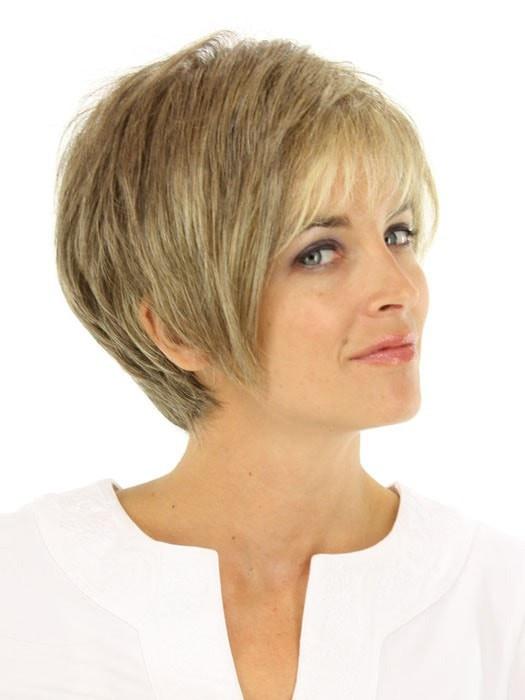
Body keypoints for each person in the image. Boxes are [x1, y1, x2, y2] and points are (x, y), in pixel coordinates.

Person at [1, 29, 524, 699]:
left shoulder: (494, 602)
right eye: (318, 252)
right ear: (179, 326)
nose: (400, 289)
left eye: (397, 234)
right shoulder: (25, 591)